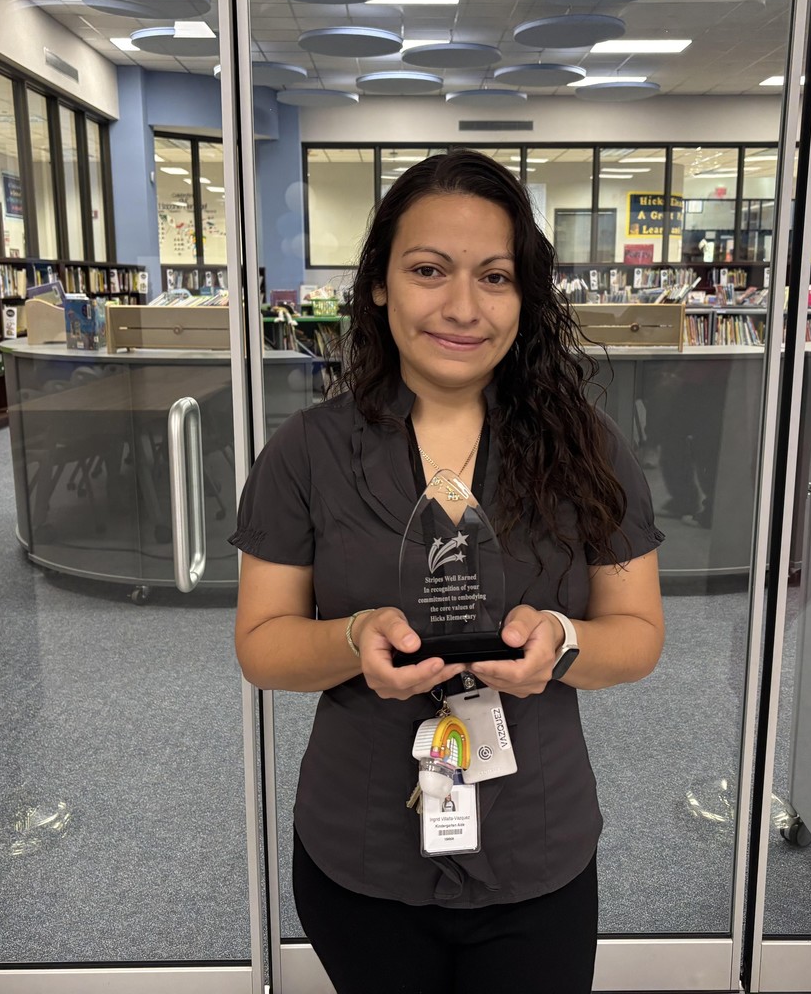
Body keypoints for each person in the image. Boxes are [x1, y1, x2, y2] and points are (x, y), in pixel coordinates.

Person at [230, 149, 665, 993]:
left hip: (537, 847)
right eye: (429, 270)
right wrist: (352, 639)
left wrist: (563, 642)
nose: (463, 307)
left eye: (495, 277)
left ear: (524, 296)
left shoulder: (589, 448)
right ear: (380, 284)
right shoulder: (306, 453)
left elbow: (639, 635)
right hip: (364, 852)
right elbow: (261, 644)